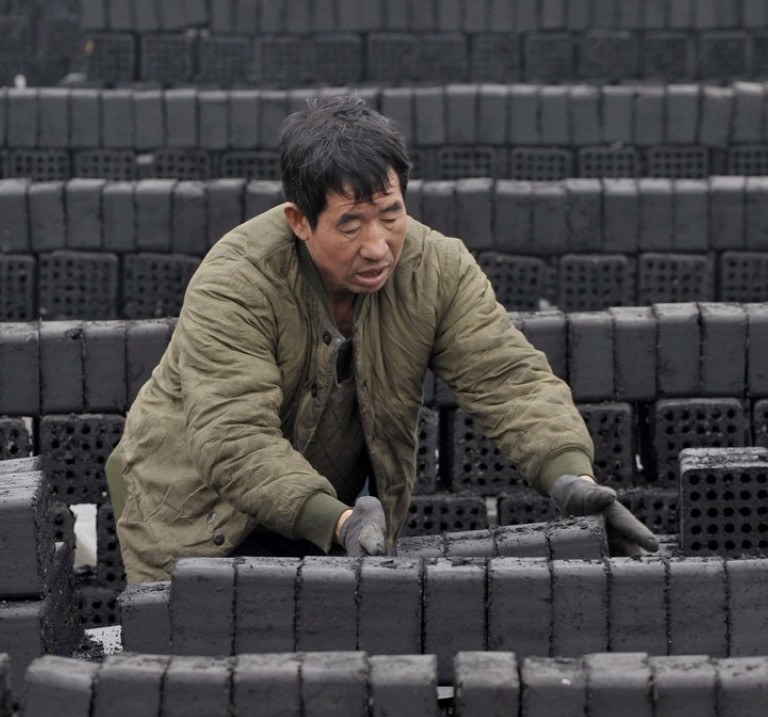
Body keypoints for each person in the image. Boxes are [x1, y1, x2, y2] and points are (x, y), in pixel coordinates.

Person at [106, 94, 658, 584]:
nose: (378, 245)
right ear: (300, 220)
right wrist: (340, 520)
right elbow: (233, 436)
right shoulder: (236, 282)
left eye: (390, 215)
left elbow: (508, 379)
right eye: (351, 224)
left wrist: (569, 477)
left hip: (334, 519)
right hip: (200, 520)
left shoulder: (436, 268)